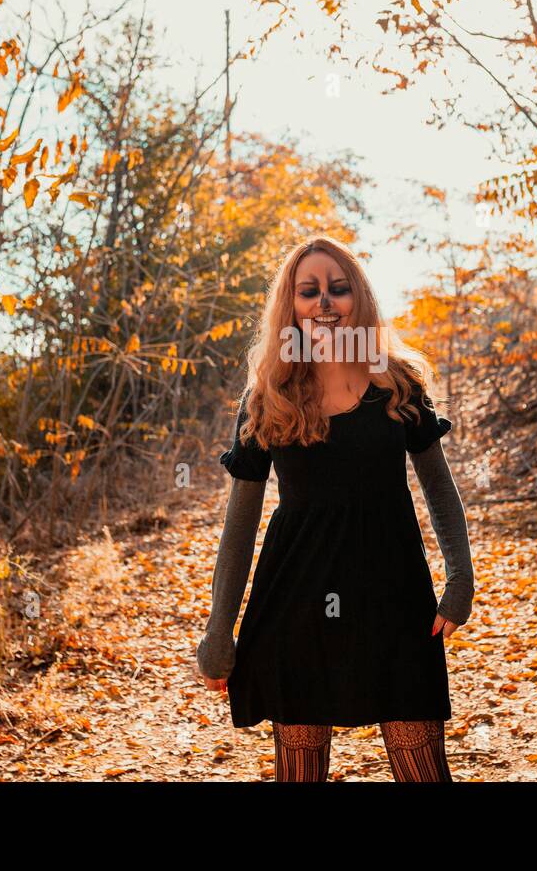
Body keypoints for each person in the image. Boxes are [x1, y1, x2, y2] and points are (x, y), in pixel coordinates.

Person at [195, 236, 475, 782]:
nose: (325, 302)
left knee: (424, 769)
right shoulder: (269, 396)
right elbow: (240, 522)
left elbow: (439, 490)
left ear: (358, 298)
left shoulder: (399, 384)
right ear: (291, 306)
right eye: (309, 291)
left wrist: (460, 578)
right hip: (296, 600)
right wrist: (219, 628)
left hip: (394, 596)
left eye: (338, 288)